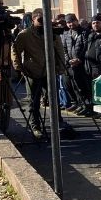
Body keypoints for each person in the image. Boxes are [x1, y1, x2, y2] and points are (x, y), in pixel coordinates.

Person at [12, 9, 67, 140]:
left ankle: (57, 123)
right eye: (40, 20)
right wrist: (19, 68)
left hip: (49, 70)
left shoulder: (52, 32)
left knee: (54, 100)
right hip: (33, 72)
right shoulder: (25, 34)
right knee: (33, 102)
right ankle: (35, 126)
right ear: (33, 19)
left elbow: (59, 49)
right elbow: (15, 51)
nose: (43, 23)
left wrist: (60, 68)